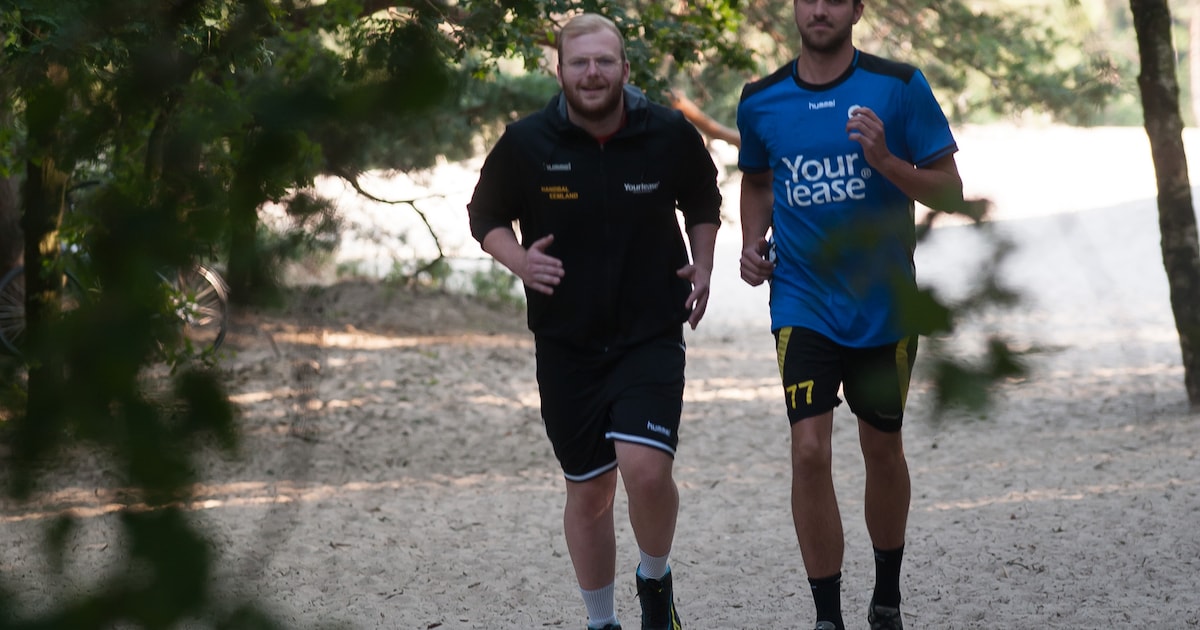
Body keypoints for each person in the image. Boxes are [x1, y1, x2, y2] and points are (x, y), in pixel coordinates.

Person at [466, 13, 722, 630]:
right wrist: (520, 261)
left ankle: (654, 583)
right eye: (579, 62)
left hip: (649, 331)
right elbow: (485, 216)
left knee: (647, 469)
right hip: (566, 342)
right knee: (589, 491)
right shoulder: (526, 144)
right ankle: (601, 622)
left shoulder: (666, 132)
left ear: (625, 70)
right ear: (559, 70)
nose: (592, 73)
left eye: (604, 61)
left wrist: (705, 264)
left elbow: (704, 200)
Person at [735, 1, 964, 629]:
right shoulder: (760, 99)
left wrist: (887, 162)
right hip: (802, 302)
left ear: (857, 8)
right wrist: (753, 243)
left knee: (881, 447)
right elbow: (757, 181)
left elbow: (952, 190)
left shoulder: (898, 86)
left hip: (884, 306)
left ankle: (885, 596)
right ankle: (827, 616)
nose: (818, 8)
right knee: (808, 451)